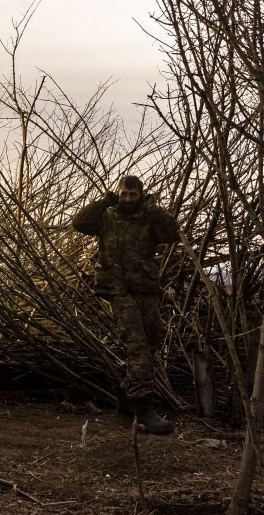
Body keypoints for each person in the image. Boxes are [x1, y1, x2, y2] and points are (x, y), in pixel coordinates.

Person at [73, 174, 184, 435]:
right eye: (123, 193)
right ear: (118, 193)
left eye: (133, 195)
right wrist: (105, 201)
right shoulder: (107, 217)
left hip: (145, 288)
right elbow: (79, 223)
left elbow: (174, 233)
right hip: (117, 290)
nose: (127, 199)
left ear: (141, 195)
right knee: (137, 345)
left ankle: (126, 396)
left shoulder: (149, 217)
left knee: (151, 343)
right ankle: (144, 408)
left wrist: (153, 208)